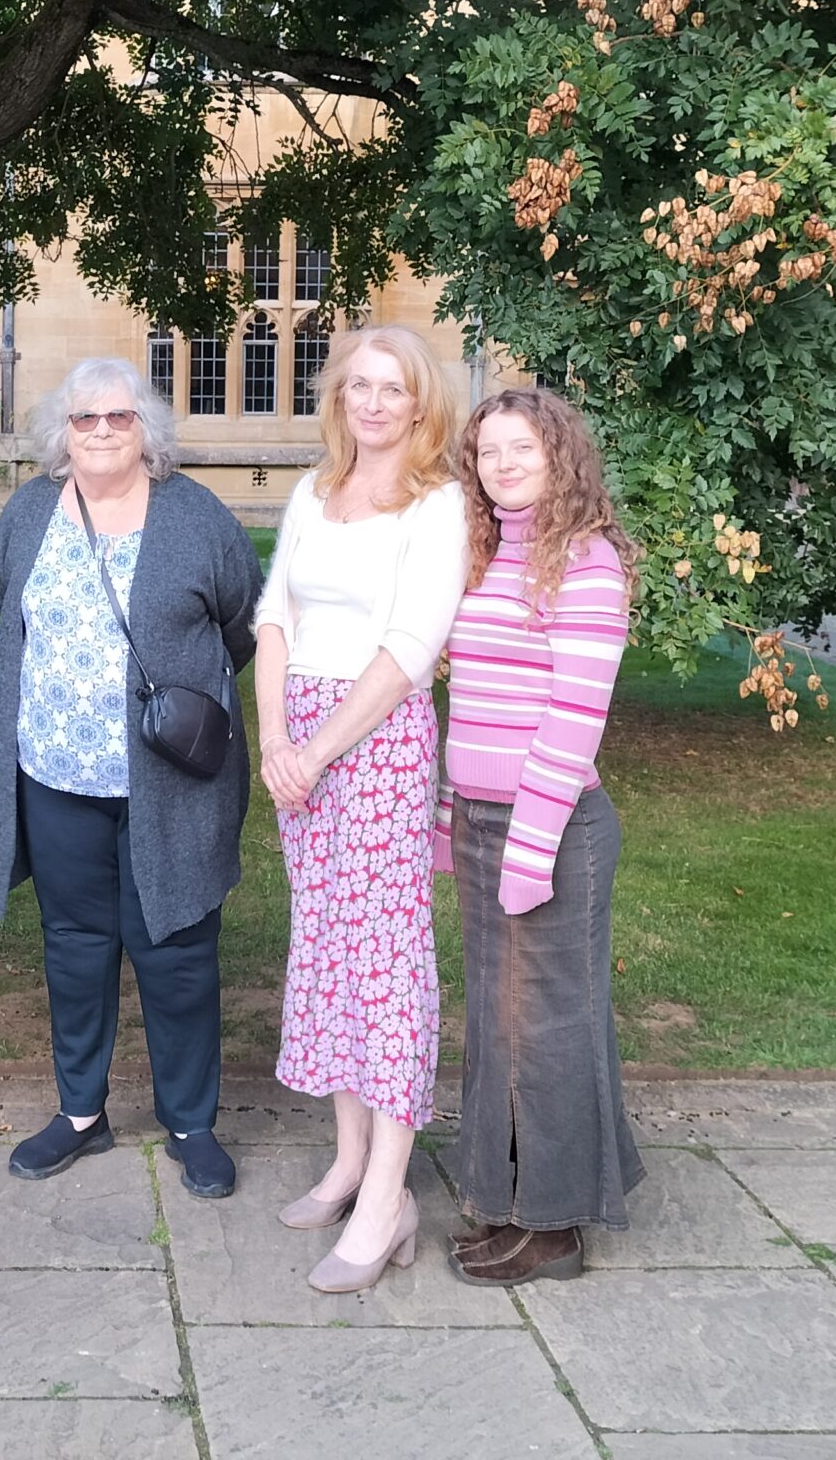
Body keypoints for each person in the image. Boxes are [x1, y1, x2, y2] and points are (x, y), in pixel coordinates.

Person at [0, 358, 262, 1198]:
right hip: (55, 776)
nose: (101, 431)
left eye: (119, 417)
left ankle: (190, 1122)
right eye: (84, 420)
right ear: (61, 434)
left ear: (148, 430)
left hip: (168, 784)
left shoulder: (196, 517)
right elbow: (12, 609)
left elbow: (242, 625)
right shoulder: (28, 513)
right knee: (74, 946)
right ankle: (80, 1113)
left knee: (175, 950)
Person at [254, 323, 468, 1292]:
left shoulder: (437, 503)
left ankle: (389, 1196)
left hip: (372, 741)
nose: (374, 403)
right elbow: (271, 619)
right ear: (337, 397)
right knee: (329, 947)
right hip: (296, 742)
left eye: (393, 389)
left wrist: (316, 750)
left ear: (420, 405)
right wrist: (273, 746)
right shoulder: (311, 491)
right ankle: (346, 1160)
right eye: (358, 387)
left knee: (386, 964)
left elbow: (409, 647)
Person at [441, 385, 643, 1285]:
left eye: (522, 448)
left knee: (548, 1028)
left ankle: (555, 1228)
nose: (504, 464)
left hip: (552, 831)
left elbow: (573, 719)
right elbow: (470, 702)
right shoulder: (484, 556)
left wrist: (528, 847)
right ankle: (507, 1199)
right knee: (498, 1025)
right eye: (489, 452)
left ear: (559, 455)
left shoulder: (588, 562)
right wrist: (455, 820)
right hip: (485, 825)